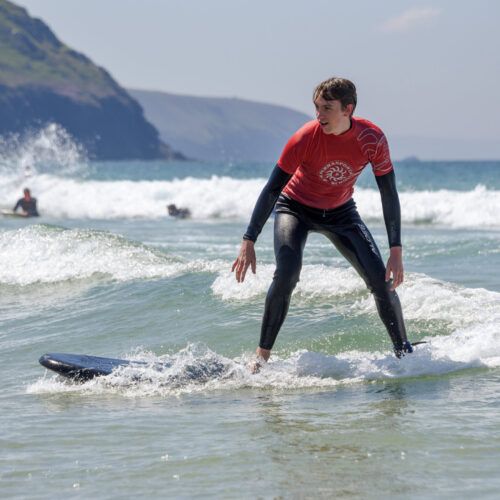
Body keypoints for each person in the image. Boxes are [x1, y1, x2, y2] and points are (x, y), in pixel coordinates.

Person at [232, 77, 413, 371]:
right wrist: (248, 239)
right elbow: (272, 189)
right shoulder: (305, 137)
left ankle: (405, 355)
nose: (319, 115)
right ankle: (261, 358)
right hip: (295, 208)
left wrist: (396, 250)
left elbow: (389, 193)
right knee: (287, 273)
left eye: (327, 108)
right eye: (316, 107)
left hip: (341, 212)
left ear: (347, 109)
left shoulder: (372, 139)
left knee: (381, 282)